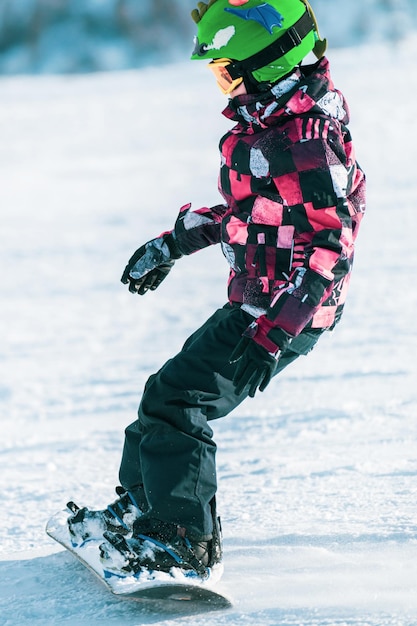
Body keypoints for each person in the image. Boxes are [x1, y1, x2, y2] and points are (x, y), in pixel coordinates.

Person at [67, 0, 366, 580]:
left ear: (271, 62)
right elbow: (245, 215)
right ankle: (146, 510)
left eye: (229, 69)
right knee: (165, 393)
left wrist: (273, 335)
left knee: (178, 404)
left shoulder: (306, 138)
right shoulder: (273, 126)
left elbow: (335, 245)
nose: (223, 84)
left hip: (283, 310)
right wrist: (171, 245)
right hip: (263, 300)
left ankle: (183, 542)